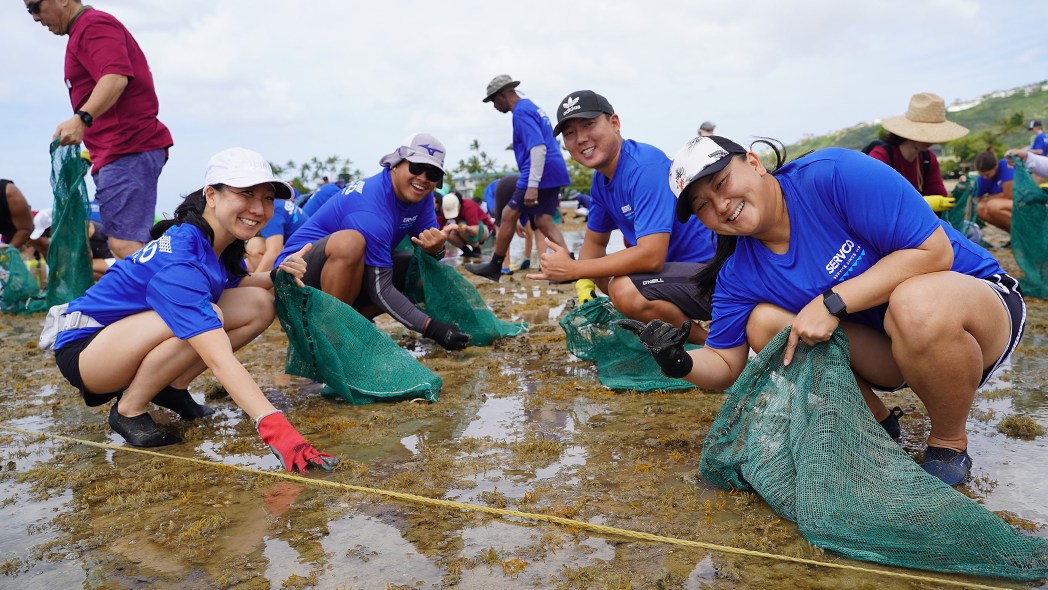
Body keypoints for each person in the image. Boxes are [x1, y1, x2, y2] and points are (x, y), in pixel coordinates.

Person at [623, 136, 1022, 487]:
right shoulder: (737, 273)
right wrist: (678, 363)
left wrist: (832, 301)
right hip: (890, 347)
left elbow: (935, 253)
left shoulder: (832, 174)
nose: (721, 205)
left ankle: (948, 442)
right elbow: (726, 364)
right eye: (704, 205)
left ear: (754, 162)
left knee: (914, 303)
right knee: (765, 324)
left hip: (976, 309)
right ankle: (878, 425)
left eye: (721, 183)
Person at [44, 147, 337, 473]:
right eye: (246, 193)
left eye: (267, 198)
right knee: (210, 317)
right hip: (86, 348)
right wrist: (276, 429)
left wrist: (275, 275)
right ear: (212, 195)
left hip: (128, 337)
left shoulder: (216, 240)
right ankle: (129, 408)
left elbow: (231, 283)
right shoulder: (182, 254)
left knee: (259, 304)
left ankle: (172, 387)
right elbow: (218, 358)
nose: (259, 208)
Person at [532, 90, 716, 344]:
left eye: (588, 125)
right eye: (570, 133)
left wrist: (573, 269)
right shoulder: (601, 180)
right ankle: (684, 330)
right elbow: (595, 244)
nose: (581, 138)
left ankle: (712, 346)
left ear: (615, 123)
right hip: (677, 275)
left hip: (714, 274)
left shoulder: (644, 167)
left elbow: (651, 257)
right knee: (603, 275)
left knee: (624, 289)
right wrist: (584, 284)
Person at [276, 134, 472, 351]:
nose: (424, 178)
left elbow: (428, 260)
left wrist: (436, 250)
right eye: (416, 167)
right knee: (350, 243)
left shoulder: (423, 197)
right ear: (396, 164)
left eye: (433, 173)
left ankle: (353, 323)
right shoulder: (370, 206)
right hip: (294, 280)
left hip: (345, 275)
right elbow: (380, 288)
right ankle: (329, 340)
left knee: (417, 270)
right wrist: (432, 328)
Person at [28, 0, 173, 261]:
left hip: (128, 147)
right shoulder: (81, 31)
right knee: (128, 243)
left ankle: (181, 296)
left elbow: (116, 75)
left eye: (35, 6)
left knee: (124, 244)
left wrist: (81, 118)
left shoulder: (91, 25)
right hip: (118, 150)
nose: (35, 17)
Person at [466, 76, 571, 282]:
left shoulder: (521, 112)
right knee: (543, 221)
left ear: (503, 94)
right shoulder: (531, 106)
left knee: (507, 214)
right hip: (553, 168)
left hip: (538, 171)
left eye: (494, 100)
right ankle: (568, 265)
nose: (494, 106)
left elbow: (538, 148)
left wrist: (532, 185)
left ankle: (495, 266)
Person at [866, 93, 968, 213]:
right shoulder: (881, 156)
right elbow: (873, 198)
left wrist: (960, 192)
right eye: (926, 133)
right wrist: (924, 203)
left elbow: (939, 196)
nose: (931, 139)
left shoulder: (928, 159)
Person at [246, 195, 309, 272]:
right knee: (246, 264)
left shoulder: (272, 212)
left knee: (254, 245)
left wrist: (255, 281)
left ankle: (270, 282)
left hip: (304, 255)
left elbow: (274, 252)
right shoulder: (277, 203)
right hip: (308, 247)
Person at [1, 180, 50, 256]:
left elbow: (24, 229)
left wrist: (7, 253)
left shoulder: (9, 194)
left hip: (22, 225)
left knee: (43, 245)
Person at [437, 192, 494, 257]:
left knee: (461, 225)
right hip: (464, 231)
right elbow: (439, 229)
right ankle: (466, 251)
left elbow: (475, 231)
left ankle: (476, 249)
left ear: (459, 204)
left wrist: (466, 228)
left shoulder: (469, 206)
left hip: (483, 229)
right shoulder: (444, 208)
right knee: (447, 230)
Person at [973, 149, 1014, 232]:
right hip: (1006, 204)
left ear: (996, 165)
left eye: (987, 174)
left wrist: (989, 198)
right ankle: (1014, 233)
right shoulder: (982, 179)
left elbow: (1009, 196)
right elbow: (975, 201)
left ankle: (1028, 231)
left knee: (992, 205)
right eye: (982, 175)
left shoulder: (1006, 165)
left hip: (1022, 202)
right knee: (978, 208)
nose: (985, 177)